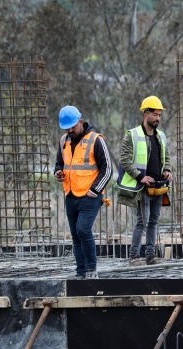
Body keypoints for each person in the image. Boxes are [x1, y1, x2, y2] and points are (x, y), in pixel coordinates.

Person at [54, 106, 112, 279]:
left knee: (83, 230)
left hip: (90, 195)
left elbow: (107, 169)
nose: (70, 130)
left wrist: (94, 191)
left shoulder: (96, 140)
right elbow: (59, 163)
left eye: (73, 126)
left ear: (81, 121)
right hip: (70, 194)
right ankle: (80, 272)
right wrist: (58, 172)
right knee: (76, 236)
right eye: (67, 128)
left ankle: (91, 269)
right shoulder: (64, 140)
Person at [117, 96, 173, 266]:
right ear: (145, 114)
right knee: (142, 222)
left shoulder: (160, 136)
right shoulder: (132, 135)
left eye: (160, 115)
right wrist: (140, 177)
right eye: (155, 114)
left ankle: (150, 255)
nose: (158, 118)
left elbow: (166, 157)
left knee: (154, 222)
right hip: (142, 187)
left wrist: (167, 170)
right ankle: (134, 256)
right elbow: (124, 160)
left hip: (158, 186)